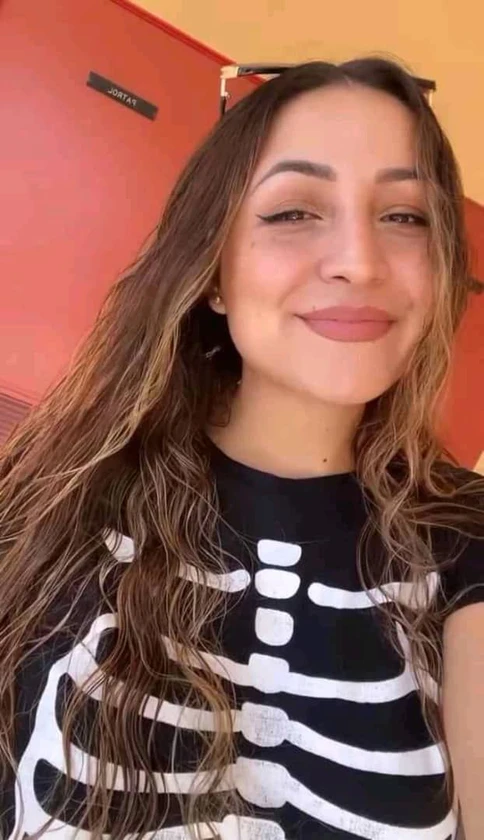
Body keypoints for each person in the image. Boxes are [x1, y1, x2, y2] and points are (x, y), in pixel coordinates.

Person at [0, 57, 483, 840]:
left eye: (405, 216)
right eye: (293, 212)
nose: (359, 262)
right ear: (214, 272)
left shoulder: (469, 537)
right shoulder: (43, 497)